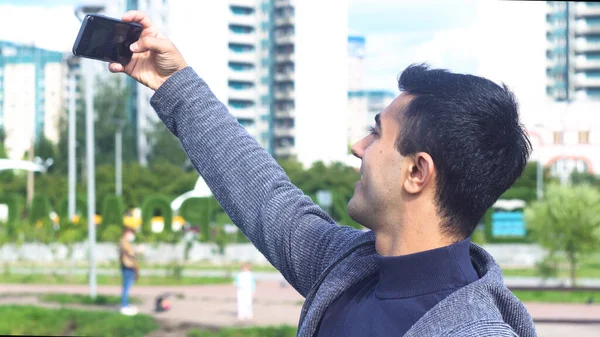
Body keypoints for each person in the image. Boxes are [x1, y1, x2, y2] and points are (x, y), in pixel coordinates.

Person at [108, 11, 537, 336]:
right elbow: (264, 196)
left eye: (376, 133)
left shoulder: (474, 331)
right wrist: (174, 82)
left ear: (416, 172)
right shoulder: (348, 267)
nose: (358, 147)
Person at [119, 226, 140, 316]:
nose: (132, 235)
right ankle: (124, 305)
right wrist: (137, 250)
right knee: (126, 287)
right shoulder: (124, 241)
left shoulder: (127, 242)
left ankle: (126, 304)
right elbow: (130, 252)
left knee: (128, 286)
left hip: (130, 266)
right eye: (130, 232)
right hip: (127, 267)